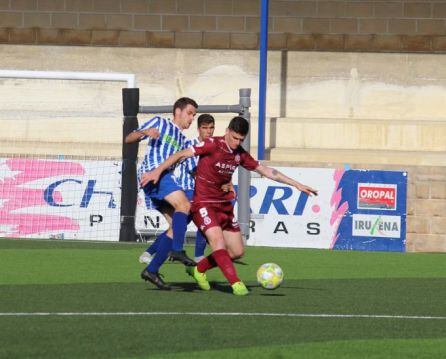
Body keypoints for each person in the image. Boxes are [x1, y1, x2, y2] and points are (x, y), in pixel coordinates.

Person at [141, 116, 318, 296]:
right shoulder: (211, 144)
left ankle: (197, 269)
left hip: (224, 207)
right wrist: (157, 171)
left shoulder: (239, 154)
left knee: (237, 251)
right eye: (234, 138)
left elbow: (267, 171)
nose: (237, 143)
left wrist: (296, 184)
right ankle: (235, 283)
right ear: (227, 131)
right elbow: (180, 154)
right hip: (204, 204)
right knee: (217, 242)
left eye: (241, 140)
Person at [125, 97, 198, 290]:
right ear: (178, 111)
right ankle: (177, 250)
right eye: (190, 113)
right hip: (153, 174)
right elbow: (128, 138)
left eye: (194, 115)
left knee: (176, 226)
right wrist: (145, 132)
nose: (192, 119)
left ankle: (152, 269)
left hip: (164, 180)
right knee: (184, 205)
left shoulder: (183, 141)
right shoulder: (160, 122)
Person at [138, 114, 217, 265]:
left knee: (178, 225)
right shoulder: (189, 145)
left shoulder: (213, 148)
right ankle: (196, 255)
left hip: (201, 191)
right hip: (187, 189)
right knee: (199, 218)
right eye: (205, 128)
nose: (208, 131)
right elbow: (192, 170)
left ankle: (151, 254)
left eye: (211, 128)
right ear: (199, 129)